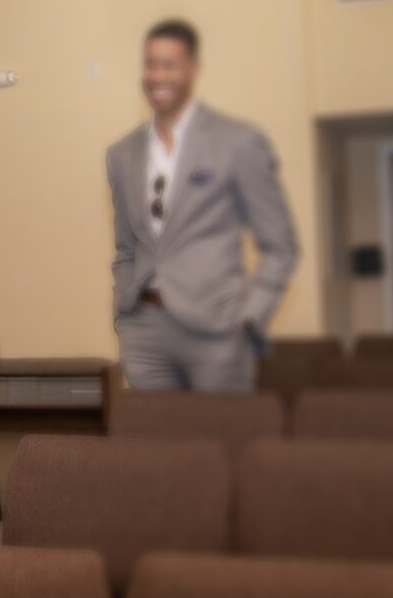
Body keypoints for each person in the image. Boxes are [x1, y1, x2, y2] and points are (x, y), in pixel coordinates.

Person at [106, 20, 298, 391]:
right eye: (149, 64)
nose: (156, 75)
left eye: (168, 64)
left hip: (218, 331)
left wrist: (248, 320)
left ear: (193, 68)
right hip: (143, 334)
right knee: (154, 448)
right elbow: (125, 246)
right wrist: (123, 314)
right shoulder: (121, 154)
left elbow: (280, 246)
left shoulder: (237, 142)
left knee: (218, 446)